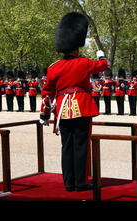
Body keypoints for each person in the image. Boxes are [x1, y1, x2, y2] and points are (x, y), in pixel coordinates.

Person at [39, 12, 108, 192]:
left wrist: (44, 114)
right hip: (82, 107)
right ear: (76, 47)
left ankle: (69, 183)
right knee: (81, 146)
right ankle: (81, 183)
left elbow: (47, 93)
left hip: (62, 111)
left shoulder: (54, 67)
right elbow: (103, 66)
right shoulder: (84, 63)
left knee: (66, 146)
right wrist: (101, 56)